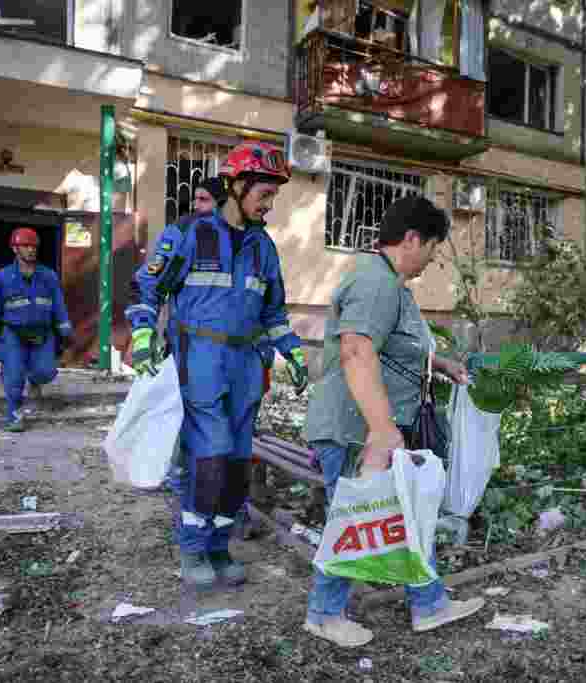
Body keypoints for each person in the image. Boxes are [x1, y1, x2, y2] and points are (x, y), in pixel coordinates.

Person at [301, 195, 484, 647]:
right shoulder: (375, 282)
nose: (433, 259)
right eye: (433, 248)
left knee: (405, 515)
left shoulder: (390, 284)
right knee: (353, 521)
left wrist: (438, 364)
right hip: (355, 431)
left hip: (371, 427)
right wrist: (383, 430)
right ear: (412, 239)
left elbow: (390, 345)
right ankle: (323, 614)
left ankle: (429, 604)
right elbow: (356, 350)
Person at [126, 140, 308, 588]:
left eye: (273, 196)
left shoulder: (263, 247)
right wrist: (144, 333)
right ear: (237, 186)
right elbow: (148, 287)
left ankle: (219, 547)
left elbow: (273, 311)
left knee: (237, 461)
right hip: (200, 357)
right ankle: (193, 548)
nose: (269, 205)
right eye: (264, 194)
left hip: (247, 363)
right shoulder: (189, 234)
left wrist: (292, 350)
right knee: (209, 454)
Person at [0, 228, 73, 432]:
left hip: (42, 332)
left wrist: (65, 329)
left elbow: (59, 305)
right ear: (15, 249)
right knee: (14, 376)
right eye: (25, 246)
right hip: (12, 333)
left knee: (46, 372)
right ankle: (14, 416)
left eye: (34, 246)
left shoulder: (48, 276)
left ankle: (34, 381)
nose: (31, 250)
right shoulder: (1, 278)